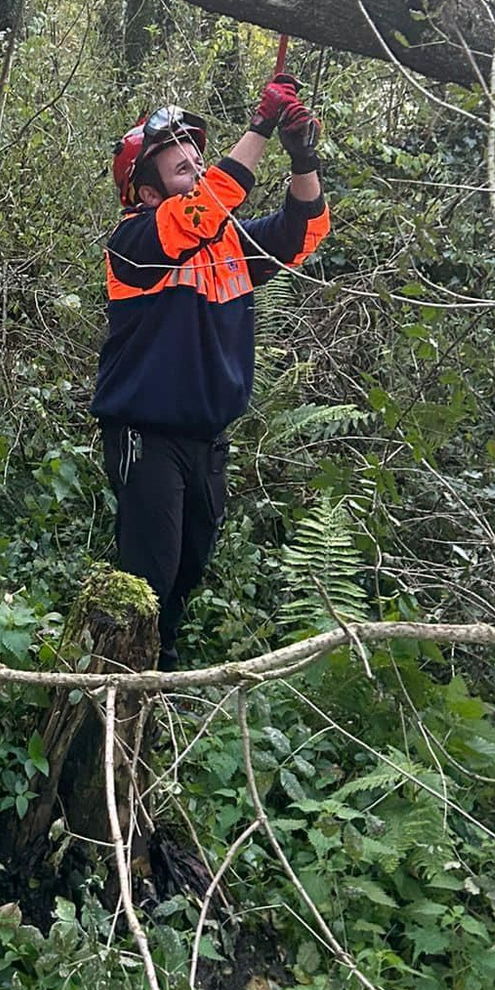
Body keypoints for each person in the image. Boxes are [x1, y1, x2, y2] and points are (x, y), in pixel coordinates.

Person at [91, 73, 330, 669]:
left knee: (191, 562)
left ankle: (161, 661)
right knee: (149, 571)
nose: (197, 172)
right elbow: (206, 207)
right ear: (148, 194)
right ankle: (123, 685)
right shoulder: (134, 241)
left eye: (199, 161)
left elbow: (303, 234)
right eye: (181, 170)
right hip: (145, 432)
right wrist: (259, 128)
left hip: (207, 437)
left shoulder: (227, 243)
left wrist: (302, 159)